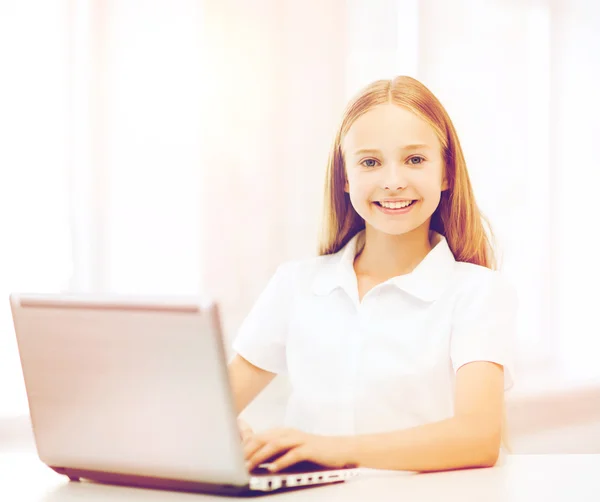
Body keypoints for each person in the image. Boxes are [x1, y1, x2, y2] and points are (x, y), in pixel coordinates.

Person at [228, 76, 517, 474]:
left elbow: (477, 438)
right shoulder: (295, 285)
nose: (393, 181)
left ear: (446, 173)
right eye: (370, 162)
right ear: (345, 179)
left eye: (415, 159)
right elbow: (212, 408)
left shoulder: (477, 292)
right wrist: (233, 435)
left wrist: (331, 449)